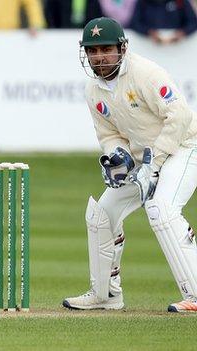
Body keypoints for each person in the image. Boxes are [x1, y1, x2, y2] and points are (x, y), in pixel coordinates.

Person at [63, 17, 197, 312]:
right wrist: (118, 156)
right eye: (93, 51)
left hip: (184, 147)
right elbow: (109, 134)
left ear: (122, 48)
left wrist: (155, 162)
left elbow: (180, 117)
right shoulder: (93, 91)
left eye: (106, 49)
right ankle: (106, 295)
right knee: (102, 214)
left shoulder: (145, 73)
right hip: (143, 158)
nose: (99, 57)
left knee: (161, 209)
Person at [130, 0, 197, 45]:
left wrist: (183, 32)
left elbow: (193, 22)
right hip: (148, 48)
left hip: (177, 49)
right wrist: (148, 32)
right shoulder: (143, 2)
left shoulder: (180, 1)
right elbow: (134, 23)